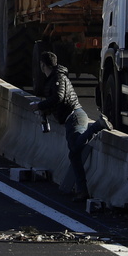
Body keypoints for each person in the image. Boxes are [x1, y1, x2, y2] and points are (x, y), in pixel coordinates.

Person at [34, 51, 95, 201]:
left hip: (75, 116)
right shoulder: (55, 77)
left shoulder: (58, 78)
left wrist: (39, 105)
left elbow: (59, 98)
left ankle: (97, 126)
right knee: (74, 153)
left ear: (42, 65)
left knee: (76, 149)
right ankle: (82, 191)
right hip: (72, 118)